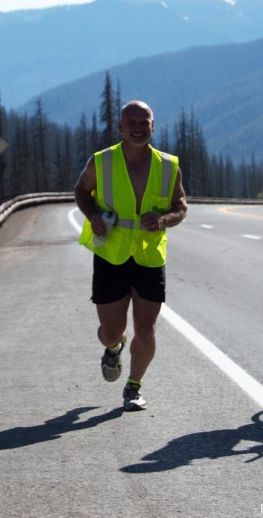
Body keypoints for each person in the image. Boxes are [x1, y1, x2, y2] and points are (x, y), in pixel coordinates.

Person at [74, 100, 188, 411]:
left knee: (147, 328)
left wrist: (164, 221)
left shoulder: (168, 166)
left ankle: (134, 387)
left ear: (153, 126)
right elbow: (81, 192)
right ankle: (113, 348)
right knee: (111, 331)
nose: (138, 128)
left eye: (144, 122)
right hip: (111, 254)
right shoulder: (102, 161)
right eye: (131, 122)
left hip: (150, 257)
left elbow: (181, 207)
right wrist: (93, 215)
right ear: (121, 127)